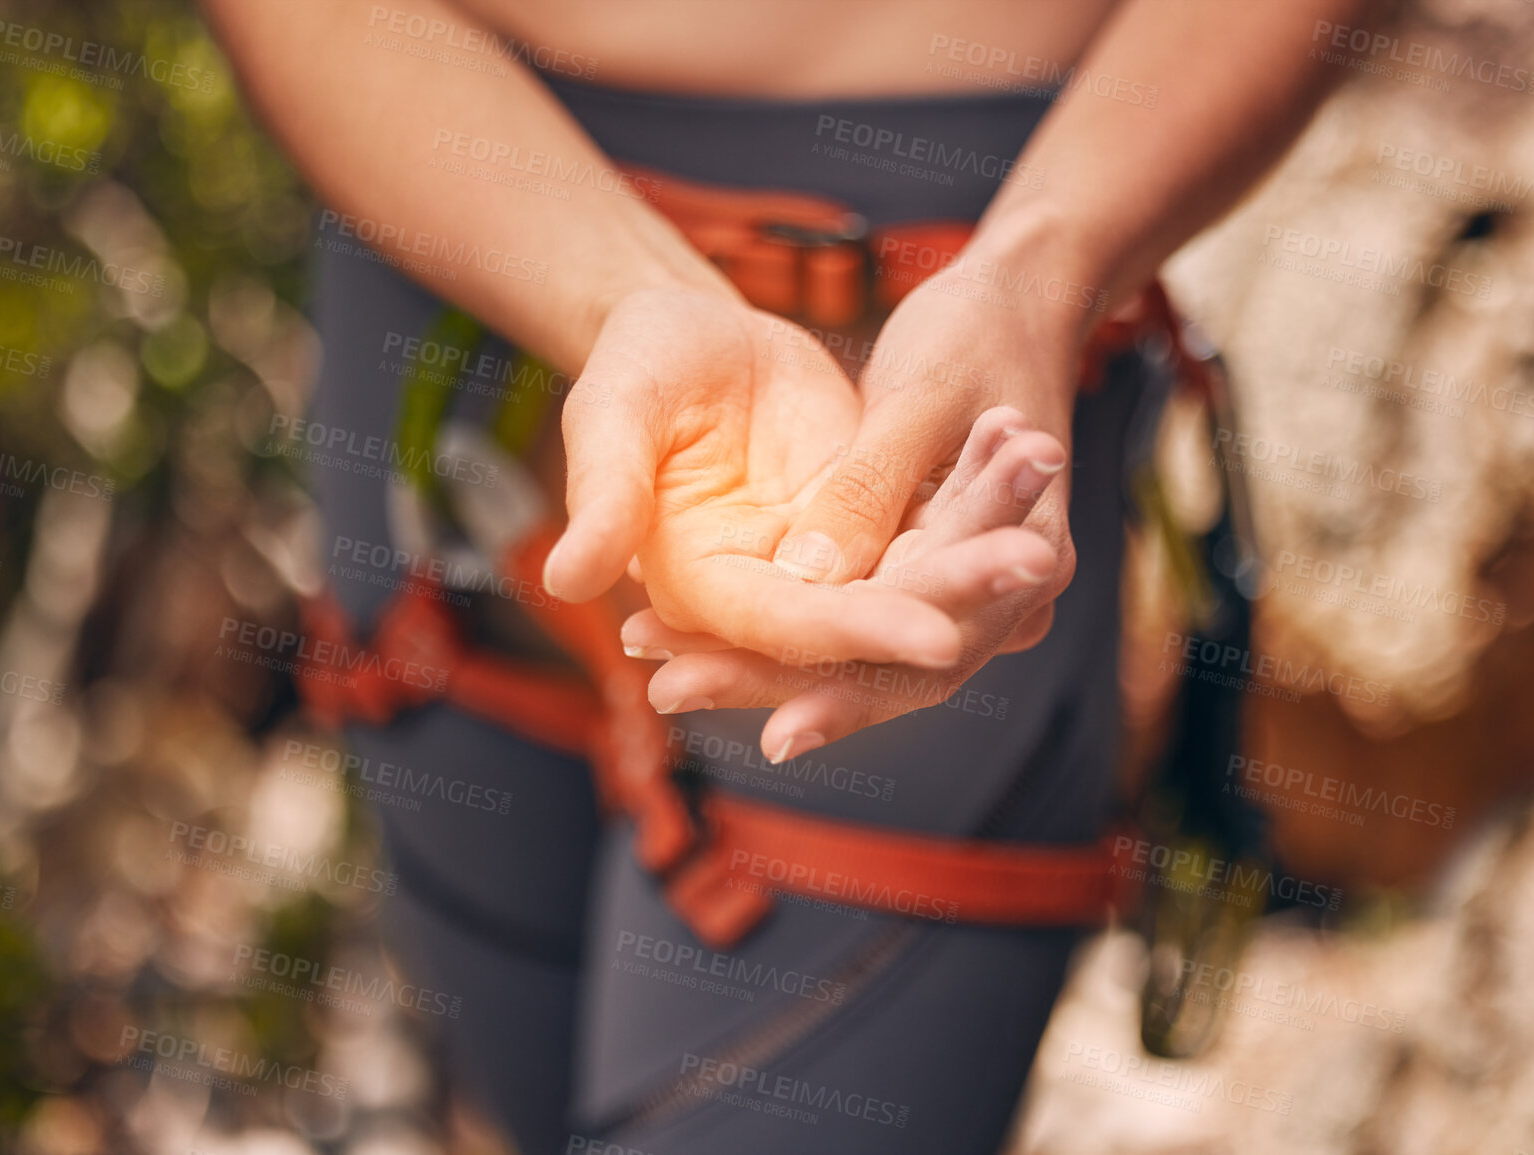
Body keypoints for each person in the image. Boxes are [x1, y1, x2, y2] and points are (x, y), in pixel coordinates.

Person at [200, 0, 1362, 1150]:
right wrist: (621, 294)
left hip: (945, 352)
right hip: (453, 232)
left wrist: (1045, 266)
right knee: (511, 1091)